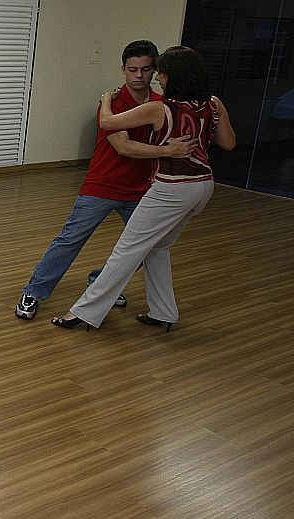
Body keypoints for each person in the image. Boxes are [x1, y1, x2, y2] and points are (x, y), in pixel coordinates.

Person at [52, 46, 236, 331]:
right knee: (157, 247)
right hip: (203, 187)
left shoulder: (160, 108)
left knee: (127, 250)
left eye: (159, 74)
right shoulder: (213, 103)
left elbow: (106, 122)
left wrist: (106, 100)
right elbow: (229, 143)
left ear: (172, 76)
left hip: (171, 189)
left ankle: (84, 313)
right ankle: (164, 312)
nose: (157, 80)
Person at [15, 40, 197, 320]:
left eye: (146, 70)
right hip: (102, 185)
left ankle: (100, 281)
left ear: (154, 71)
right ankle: (34, 291)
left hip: (143, 190)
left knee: (146, 247)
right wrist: (167, 150)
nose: (138, 75)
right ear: (123, 69)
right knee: (70, 239)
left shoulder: (164, 106)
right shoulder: (110, 103)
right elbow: (123, 146)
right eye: (132, 69)